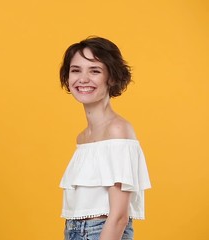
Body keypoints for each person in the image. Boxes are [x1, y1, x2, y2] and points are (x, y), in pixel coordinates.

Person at [58, 37, 151, 240]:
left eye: (95, 71)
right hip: (75, 232)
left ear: (112, 77)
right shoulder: (83, 137)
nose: (83, 79)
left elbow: (118, 217)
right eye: (75, 70)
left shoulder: (117, 130)